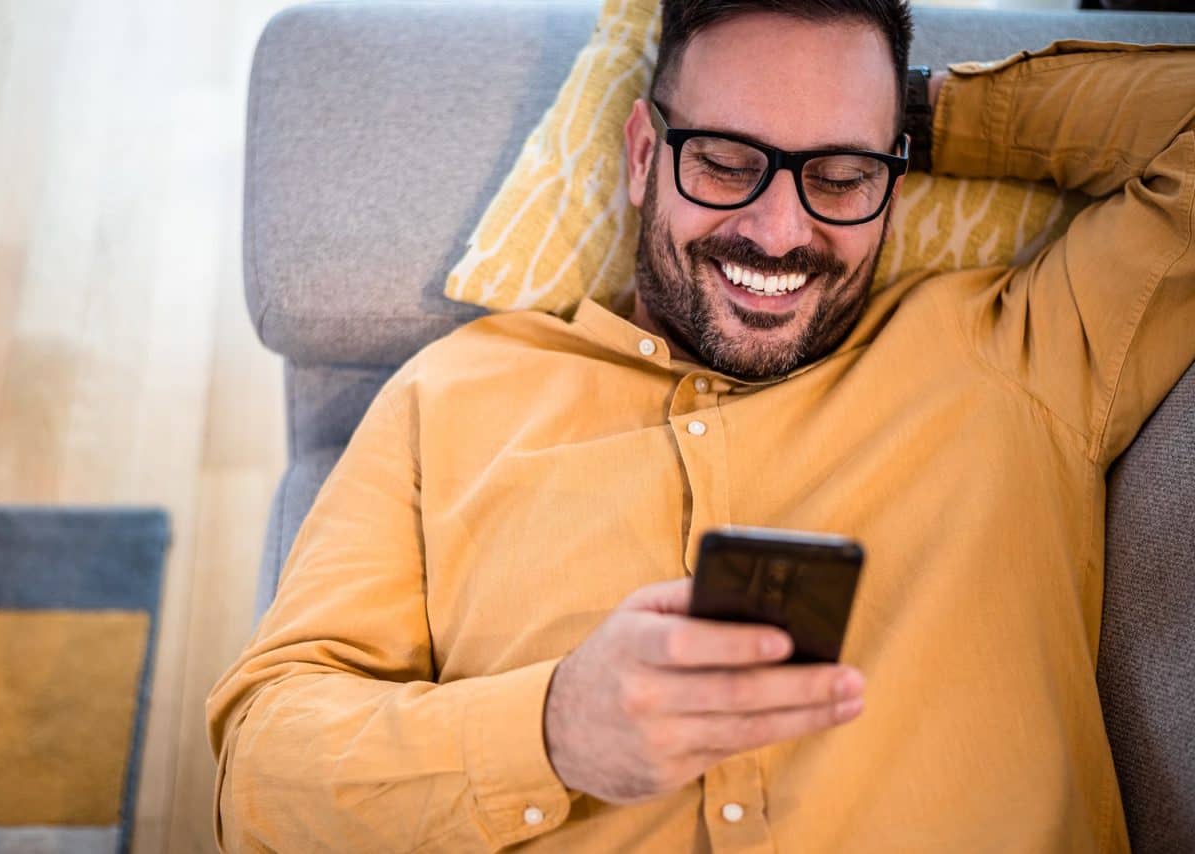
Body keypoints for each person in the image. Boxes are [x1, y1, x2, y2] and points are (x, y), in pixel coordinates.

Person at [207, 0, 1195, 850]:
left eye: (840, 176)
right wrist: (549, 732)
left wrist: (926, 117)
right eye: (724, 162)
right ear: (642, 154)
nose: (777, 232)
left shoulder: (1013, 353)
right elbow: (259, 776)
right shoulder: (453, 394)